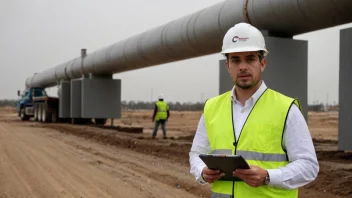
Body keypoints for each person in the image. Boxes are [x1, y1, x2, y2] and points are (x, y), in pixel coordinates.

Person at [189, 22, 319, 198]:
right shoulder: (211, 108)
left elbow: (309, 166)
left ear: (262, 63)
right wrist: (202, 172)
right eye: (235, 60)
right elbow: (196, 155)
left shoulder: (286, 109)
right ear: (228, 66)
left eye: (250, 59)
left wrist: (268, 176)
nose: (243, 66)